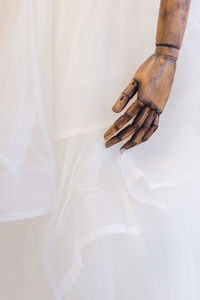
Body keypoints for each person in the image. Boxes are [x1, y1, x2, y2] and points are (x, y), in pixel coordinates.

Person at [0, 0, 200, 299]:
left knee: (134, 208)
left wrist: (167, 51)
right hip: (68, 29)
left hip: (134, 25)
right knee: (65, 200)